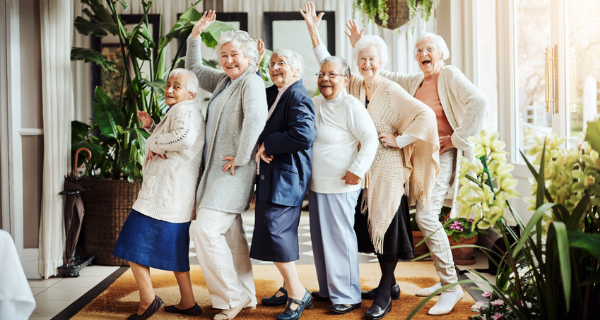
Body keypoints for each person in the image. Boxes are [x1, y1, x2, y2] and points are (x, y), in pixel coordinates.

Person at [301, 3, 440, 319]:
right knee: (367, 228)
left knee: (386, 226)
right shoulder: (354, 84)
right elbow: (328, 64)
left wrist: (400, 139)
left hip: (388, 168)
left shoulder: (391, 89)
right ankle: (387, 285)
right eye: (362, 59)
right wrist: (313, 31)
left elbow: (424, 114)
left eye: (372, 59)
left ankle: (384, 291)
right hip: (363, 168)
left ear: (383, 62)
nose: (367, 64)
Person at [347, 22, 489, 315]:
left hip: (441, 156)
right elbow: (379, 73)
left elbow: (479, 101)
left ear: (441, 54)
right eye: (419, 50)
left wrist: (459, 138)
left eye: (429, 49)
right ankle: (439, 281)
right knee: (419, 217)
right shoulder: (415, 82)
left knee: (425, 217)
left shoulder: (448, 74)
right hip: (417, 156)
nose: (423, 53)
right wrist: (361, 46)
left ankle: (450, 287)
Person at [186, 11, 268, 320]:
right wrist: (195, 36)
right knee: (232, 235)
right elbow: (193, 68)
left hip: (232, 171)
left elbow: (255, 120)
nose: (229, 59)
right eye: (224, 55)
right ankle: (245, 293)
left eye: (235, 54)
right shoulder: (223, 80)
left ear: (249, 57)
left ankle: (229, 298)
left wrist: (243, 156)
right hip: (218, 171)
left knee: (206, 231)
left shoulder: (252, 83)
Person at [113, 68, 205, 320]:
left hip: (164, 196)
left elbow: (185, 137)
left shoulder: (185, 110)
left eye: (177, 86)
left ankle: (148, 301)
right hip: (174, 196)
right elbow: (178, 139)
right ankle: (188, 301)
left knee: (130, 242)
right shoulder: (185, 110)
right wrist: (153, 127)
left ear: (192, 93)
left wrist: (153, 142)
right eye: (168, 84)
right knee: (175, 250)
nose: (169, 89)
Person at [306, 54, 380, 316]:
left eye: (332, 75)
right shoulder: (314, 103)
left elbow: (371, 139)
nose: (325, 79)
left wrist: (356, 170)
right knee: (320, 239)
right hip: (316, 184)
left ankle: (347, 295)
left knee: (339, 240)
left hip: (341, 184)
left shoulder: (351, 105)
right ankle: (328, 289)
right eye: (321, 74)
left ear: (345, 80)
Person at [250, 48, 316, 320]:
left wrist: (268, 143)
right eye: (272, 63)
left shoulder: (298, 95)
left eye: (282, 63)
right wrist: (254, 64)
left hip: (287, 178)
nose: (275, 67)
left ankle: (298, 293)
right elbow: (252, 95)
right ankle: (290, 285)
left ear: (297, 70)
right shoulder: (274, 93)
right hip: (272, 176)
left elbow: (304, 134)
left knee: (277, 235)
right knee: (271, 233)